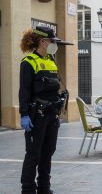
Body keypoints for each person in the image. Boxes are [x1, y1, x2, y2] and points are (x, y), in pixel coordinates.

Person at [19, 26, 71, 194]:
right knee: (33, 153)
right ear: (43, 41)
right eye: (52, 41)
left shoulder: (50, 60)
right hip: (36, 115)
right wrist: (24, 114)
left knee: (48, 152)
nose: (54, 44)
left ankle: (44, 187)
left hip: (52, 114)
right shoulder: (28, 62)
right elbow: (24, 91)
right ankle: (28, 189)